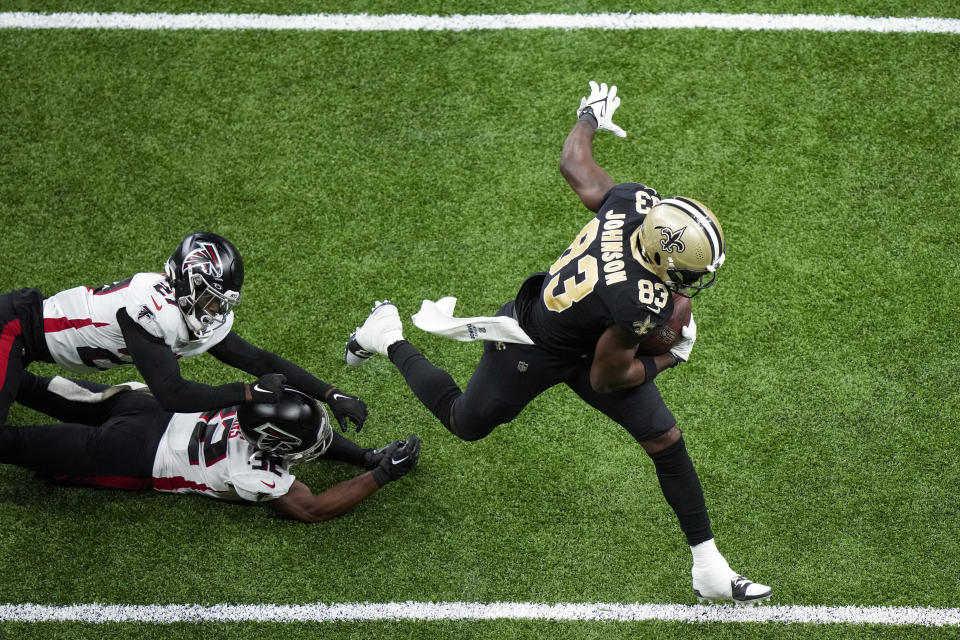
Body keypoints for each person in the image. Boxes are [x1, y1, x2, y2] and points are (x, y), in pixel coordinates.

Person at [344, 81, 771, 603]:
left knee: (664, 439)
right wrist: (667, 358)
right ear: (662, 258)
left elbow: (575, 163)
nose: (692, 282)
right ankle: (385, 334)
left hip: (589, 329)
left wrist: (589, 117)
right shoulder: (637, 302)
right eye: (688, 272)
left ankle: (708, 567)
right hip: (533, 345)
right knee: (464, 422)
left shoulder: (632, 207)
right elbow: (606, 377)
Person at [0, 232, 367, 434]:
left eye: (223, 303)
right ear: (188, 282)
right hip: (12, 331)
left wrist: (331, 394)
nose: (216, 311)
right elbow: (171, 394)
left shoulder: (181, 309)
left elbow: (259, 359)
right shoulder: (148, 308)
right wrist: (245, 394)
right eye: (211, 300)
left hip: (30, 344)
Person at [0, 371, 420, 521]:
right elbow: (312, 509)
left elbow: (295, 435)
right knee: (17, 443)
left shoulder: (255, 401)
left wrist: (365, 455)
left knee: (29, 385)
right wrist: (380, 473)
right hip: (132, 456)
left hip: (144, 406)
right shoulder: (254, 475)